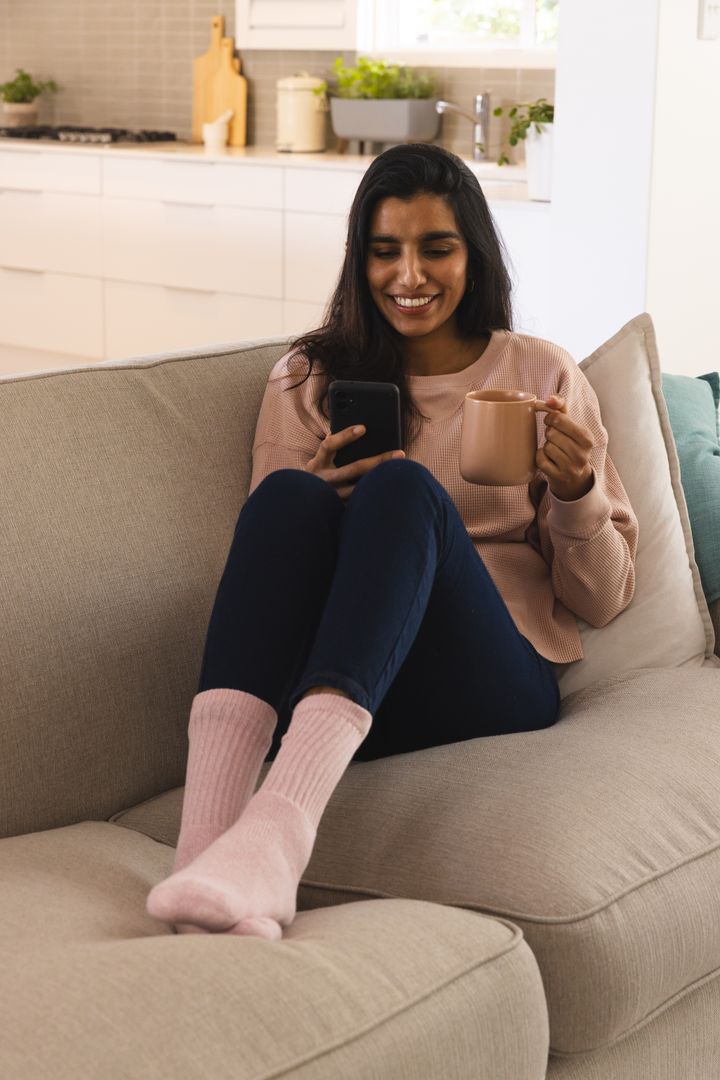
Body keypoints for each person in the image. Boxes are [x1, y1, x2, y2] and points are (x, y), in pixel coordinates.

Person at [146, 143, 638, 939]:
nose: (409, 276)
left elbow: (605, 598)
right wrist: (324, 494)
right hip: (355, 678)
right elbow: (270, 575)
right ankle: (204, 855)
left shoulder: (540, 371)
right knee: (287, 497)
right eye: (385, 251)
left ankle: (275, 842)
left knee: (404, 487)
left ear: (472, 255)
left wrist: (578, 494)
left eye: (435, 248)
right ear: (360, 260)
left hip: (492, 676)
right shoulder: (306, 378)